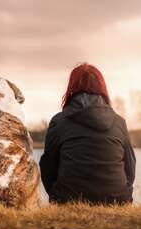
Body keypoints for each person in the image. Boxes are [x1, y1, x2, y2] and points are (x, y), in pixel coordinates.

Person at [39, 63, 136, 205]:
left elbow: (48, 168)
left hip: (68, 200)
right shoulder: (119, 122)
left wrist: (57, 195)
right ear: (102, 88)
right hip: (118, 201)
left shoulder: (59, 122)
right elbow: (130, 170)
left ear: (71, 88)